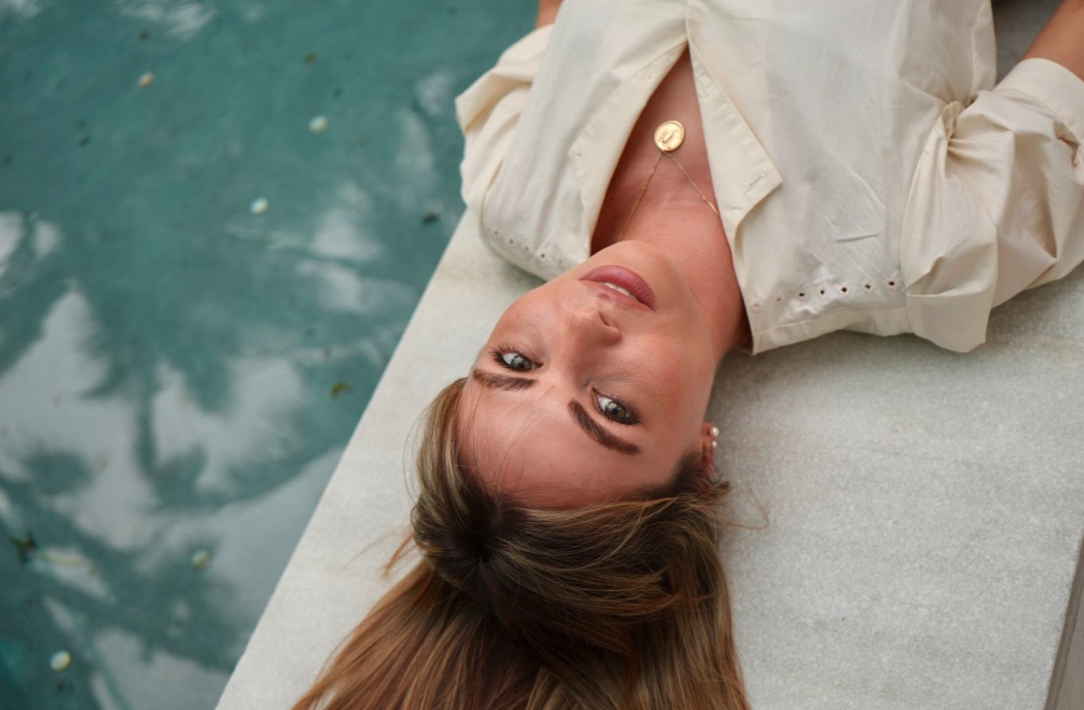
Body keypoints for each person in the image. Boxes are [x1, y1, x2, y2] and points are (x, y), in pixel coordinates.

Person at [292, 1, 1084, 708]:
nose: (585, 323)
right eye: (609, 409)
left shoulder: (508, 185)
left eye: (516, 365)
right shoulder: (937, 251)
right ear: (699, 464)